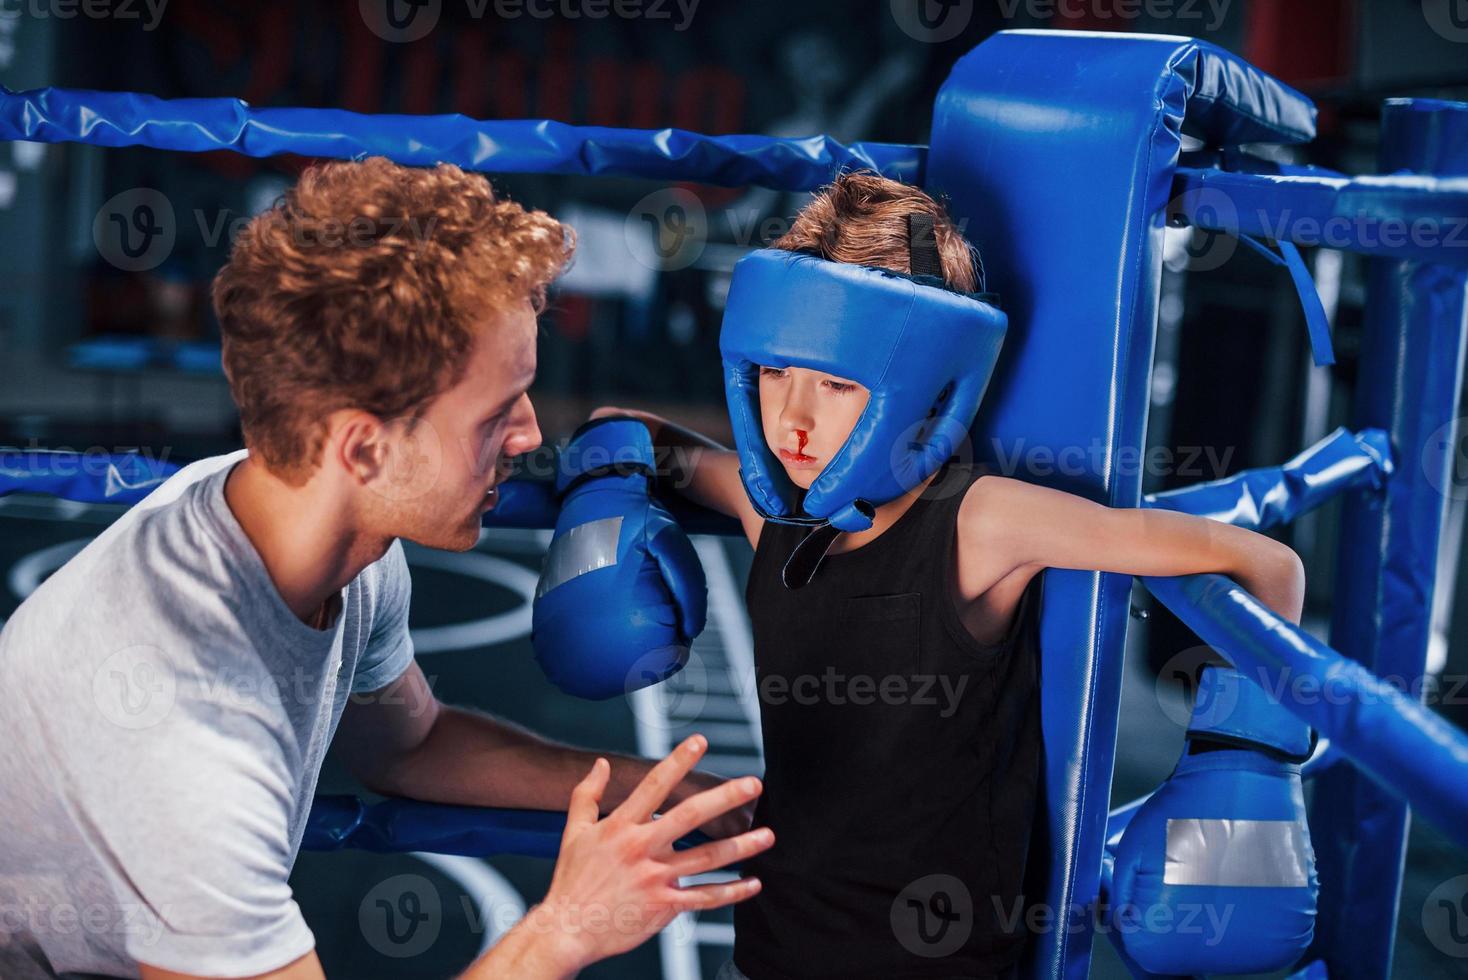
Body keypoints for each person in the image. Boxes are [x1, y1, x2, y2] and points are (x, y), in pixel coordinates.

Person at [0, 157, 771, 980]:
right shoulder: (185, 740)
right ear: (363, 446)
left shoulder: (320, 530)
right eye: (492, 414)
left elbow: (411, 745)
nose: (526, 435)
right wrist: (568, 928)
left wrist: (653, 789)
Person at [591, 170, 1306, 980]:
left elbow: (1264, 562)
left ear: (925, 389)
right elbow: (631, 434)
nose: (793, 417)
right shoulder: (778, 515)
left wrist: (1243, 755)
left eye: (835, 383)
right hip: (777, 943)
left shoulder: (982, 522)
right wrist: (599, 479)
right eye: (774, 373)